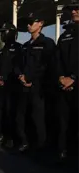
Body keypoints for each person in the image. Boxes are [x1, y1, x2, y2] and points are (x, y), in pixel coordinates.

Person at [15, 13, 56, 152]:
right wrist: (21, 76)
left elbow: (47, 65)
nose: (28, 25)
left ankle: (41, 147)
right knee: (21, 116)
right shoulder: (25, 46)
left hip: (38, 87)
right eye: (28, 22)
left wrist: (31, 79)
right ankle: (25, 142)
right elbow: (19, 64)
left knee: (38, 118)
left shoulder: (48, 43)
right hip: (23, 87)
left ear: (41, 24)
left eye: (32, 22)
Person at [55, 0, 79, 159]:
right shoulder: (64, 36)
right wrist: (61, 77)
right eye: (72, 9)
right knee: (64, 123)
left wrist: (74, 78)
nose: (74, 11)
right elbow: (57, 60)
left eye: (78, 8)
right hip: (64, 86)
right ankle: (63, 153)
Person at [0, 23, 22, 147]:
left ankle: (13, 138)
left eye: (3, 32)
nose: (1, 35)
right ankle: (3, 135)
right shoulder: (1, 51)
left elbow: (19, 68)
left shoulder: (19, 49)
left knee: (13, 113)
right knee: (1, 112)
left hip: (13, 87)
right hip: (1, 87)